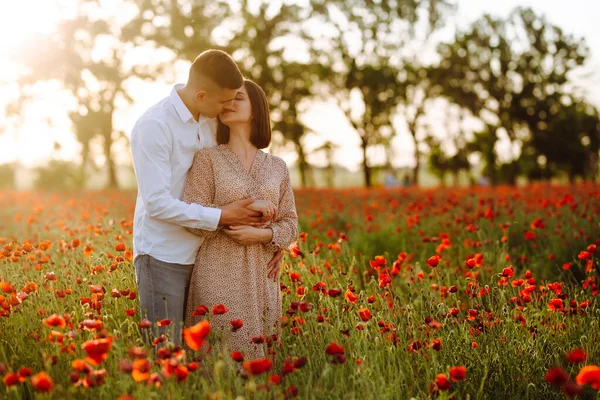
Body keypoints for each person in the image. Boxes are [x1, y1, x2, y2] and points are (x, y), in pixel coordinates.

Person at [130, 49, 282, 346]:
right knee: (167, 352)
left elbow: (236, 178)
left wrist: (270, 238)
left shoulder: (210, 121)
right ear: (201, 95)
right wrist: (222, 216)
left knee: (202, 357)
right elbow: (157, 203)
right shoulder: (154, 126)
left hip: (207, 260)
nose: (227, 108)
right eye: (224, 101)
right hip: (164, 256)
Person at [182, 79, 298, 360]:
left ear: (256, 109)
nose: (229, 104)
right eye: (226, 100)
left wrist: (264, 235)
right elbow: (190, 214)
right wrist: (232, 211)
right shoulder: (207, 159)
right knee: (222, 358)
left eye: (239, 99)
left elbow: (291, 224)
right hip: (218, 271)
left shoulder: (277, 167)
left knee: (261, 361)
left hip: (263, 275)